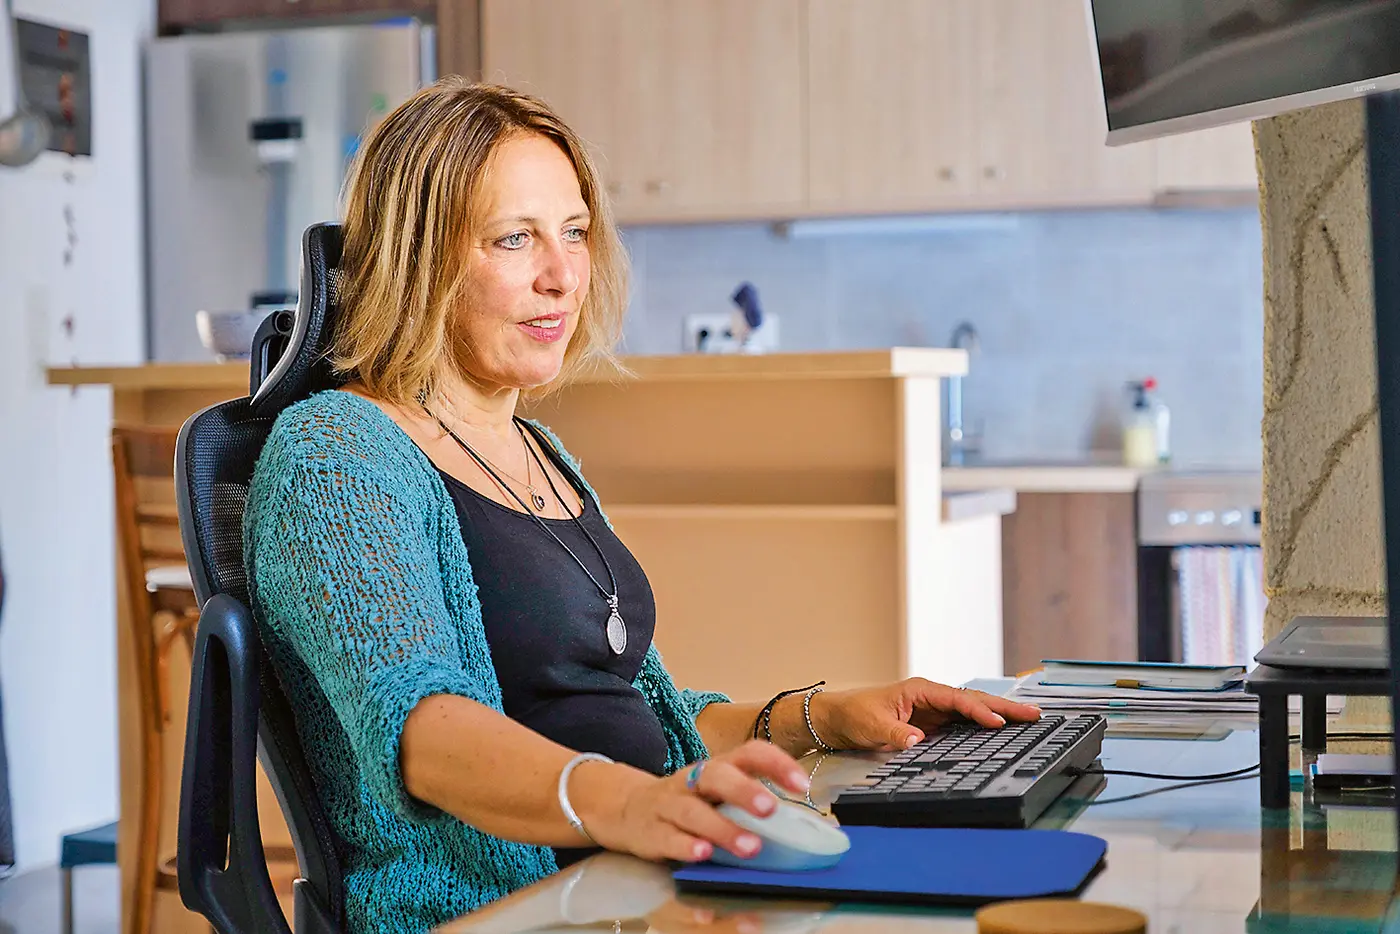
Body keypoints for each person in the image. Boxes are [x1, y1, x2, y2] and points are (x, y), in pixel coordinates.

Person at [243, 77, 1040, 934]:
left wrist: (821, 717)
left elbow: (623, 715)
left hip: (626, 887)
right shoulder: (335, 454)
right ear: (417, 257)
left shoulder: (537, 453)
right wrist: (631, 804)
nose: (562, 275)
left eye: (575, 232)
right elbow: (421, 729)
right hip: (502, 910)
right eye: (514, 240)